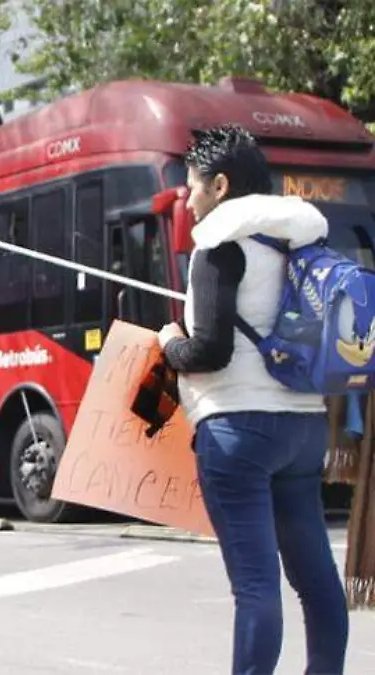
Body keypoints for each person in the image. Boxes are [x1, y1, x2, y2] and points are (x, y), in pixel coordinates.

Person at [158, 124, 349, 675]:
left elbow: (210, 352)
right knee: (316, 582)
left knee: (256, 586)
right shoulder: (301, 237)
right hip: (304, 428)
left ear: (220, 185)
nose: (187, 199)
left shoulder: (218, 245)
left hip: (239, 431)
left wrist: (172, 343)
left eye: (192, 186)